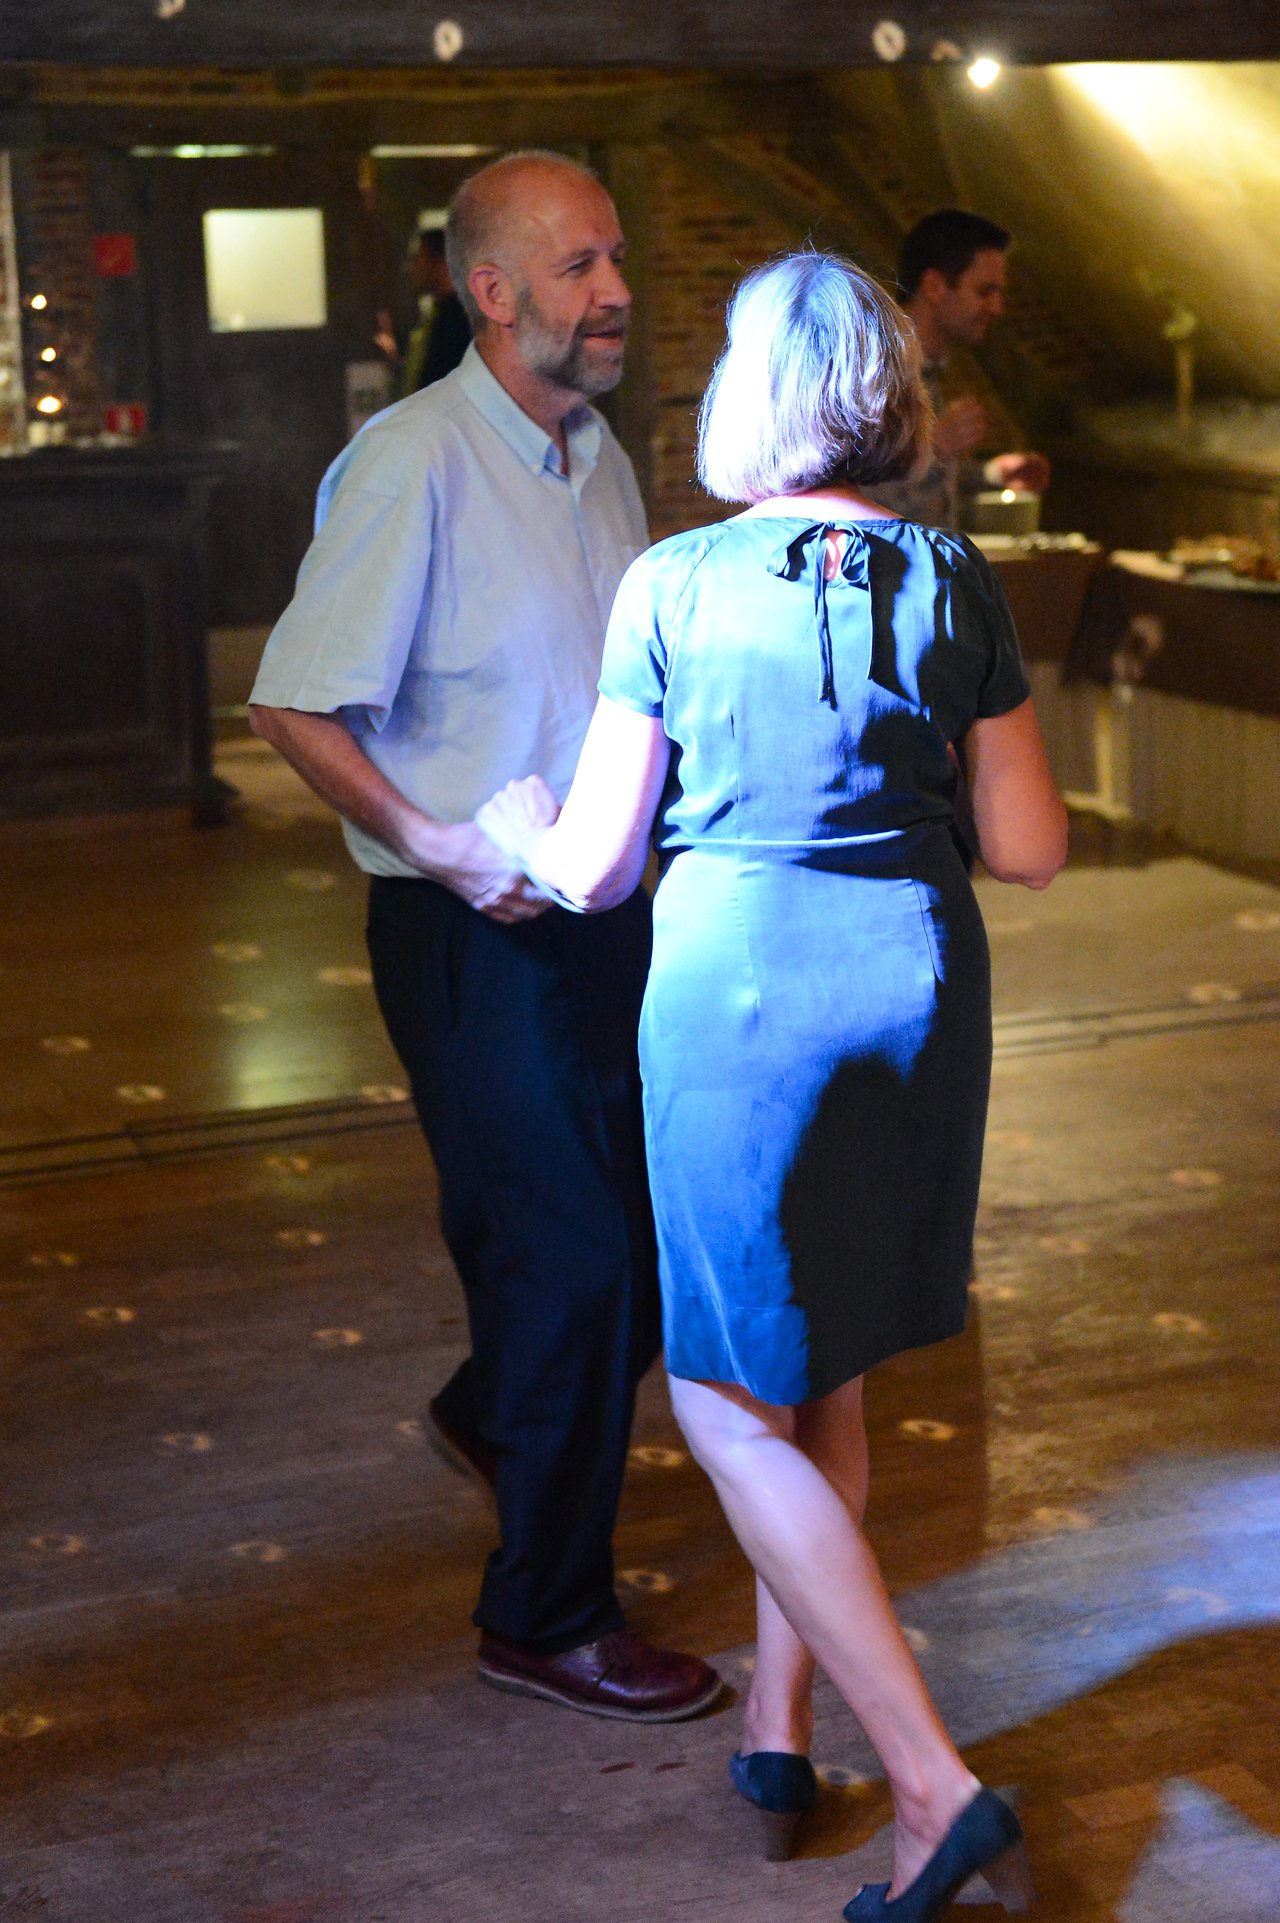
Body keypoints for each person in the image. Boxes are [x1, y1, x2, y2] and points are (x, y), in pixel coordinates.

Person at [477, 251, 1067, 1920]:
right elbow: (1027, 847)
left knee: (727, 1402)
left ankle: (936, 1782)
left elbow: (592, 868)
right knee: (831, 1378)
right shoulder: (958, 579)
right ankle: (782, 1721)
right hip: (914, 998)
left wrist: (519, 819)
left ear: (746, 389)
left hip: (740, 1007)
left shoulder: (669, 582)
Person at [247, 151, 721, 1725]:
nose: (619, 294)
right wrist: (442, 845)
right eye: (583, 266)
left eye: (619, 261)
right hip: (466, 938)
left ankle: (494, 1406)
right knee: (575, 1260)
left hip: (600, 918)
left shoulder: (593, 454)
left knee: (642, 1249)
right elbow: (293, 702)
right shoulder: (411, 460)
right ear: (492, 290)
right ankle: (547, 1612)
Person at [870, 208, 1051, 530]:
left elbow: (925, 489)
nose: (998, 308)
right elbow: (854, 499)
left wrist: (990, 474)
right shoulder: (873, 370)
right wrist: (937, 448)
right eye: (985, 292)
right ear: (936, 286)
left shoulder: (927, 371)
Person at [397, 226, 472, 397]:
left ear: (440, 261)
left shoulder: (461, 321)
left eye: (417, 259)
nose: (410, 268)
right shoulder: (436, 316)